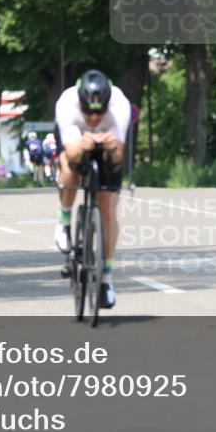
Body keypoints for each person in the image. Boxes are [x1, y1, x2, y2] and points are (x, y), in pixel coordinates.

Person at [53, 69, 130, 309]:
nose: (95, 120)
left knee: (107, 209)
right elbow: (72, 152)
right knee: (69, 170)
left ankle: (106, 278)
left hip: (108, 148)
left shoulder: (120, 105)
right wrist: (82, 143)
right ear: (81, 103)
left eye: (100, 114)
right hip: (74, 141)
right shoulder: (67, 103)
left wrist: (111, 145)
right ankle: (64, 221)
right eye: (89, 113)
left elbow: (118, 156)